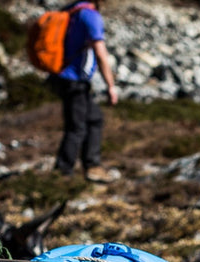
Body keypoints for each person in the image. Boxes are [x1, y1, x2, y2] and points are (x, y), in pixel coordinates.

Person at [49, 0, 120, 183]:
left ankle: (92, 166)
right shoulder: (91, 16)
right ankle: (62, 173)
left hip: (66, 78)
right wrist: (110, 85)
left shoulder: (74, 11)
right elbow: (101, 53)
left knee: (94, 118)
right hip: (74, 80)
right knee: (76, 127)